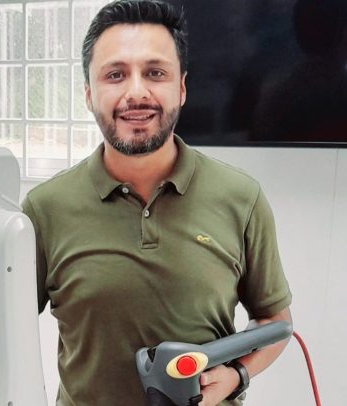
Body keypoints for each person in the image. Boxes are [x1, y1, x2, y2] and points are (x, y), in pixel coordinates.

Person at [21, 1, 293, 405]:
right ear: (89, 93)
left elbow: (275, 322)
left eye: (155, 73)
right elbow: (9, 331)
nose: (136, 92)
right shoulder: (44, 208)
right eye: (115, 75)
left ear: (181, 88)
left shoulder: (242, 198)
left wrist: (236, 375)